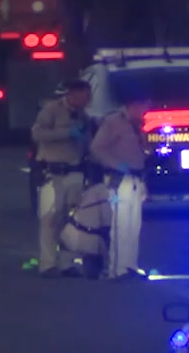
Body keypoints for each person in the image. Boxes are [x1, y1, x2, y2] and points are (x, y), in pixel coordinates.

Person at [31, 80, 91, 277]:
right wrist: (66, 133)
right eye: (83, 96)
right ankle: (47, 264)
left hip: (74, 170)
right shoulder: (52, 110)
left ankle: (67, 263)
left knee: (71, 219)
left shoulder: (84, 115)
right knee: (50, 219)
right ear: (72, 94)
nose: (86, 100)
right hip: (53, 172)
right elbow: (37, 133)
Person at [90, 94, 152, 281]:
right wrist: (117, 164)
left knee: (133, 226)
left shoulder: (138, 124)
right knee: (120, 225)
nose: (145, 111)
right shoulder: (113, 122)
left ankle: (130, 265)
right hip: (119, 180)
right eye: (143, 106)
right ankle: (117, 269)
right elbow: (97, 147)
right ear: (133, 104)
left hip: (136, 179)